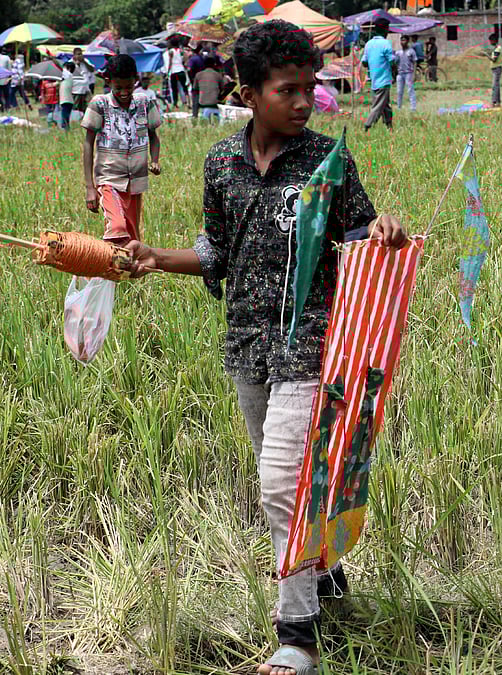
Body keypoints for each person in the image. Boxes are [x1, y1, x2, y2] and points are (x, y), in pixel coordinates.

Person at [121, 20, 406, 675]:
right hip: (248, 343)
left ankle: (297, 635)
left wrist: (383, 228)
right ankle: (325, 578)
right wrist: (153, 258)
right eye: (288, 90)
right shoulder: (220, 162)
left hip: (313, 342)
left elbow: (362, 234)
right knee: (293, 487)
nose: (305, 101)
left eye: (311, 87)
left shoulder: (329, 160)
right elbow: (215, 250)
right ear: (247, 93)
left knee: (282, 484)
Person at [81, 54, 162, 248]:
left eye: (129, 87)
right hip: (109, 178)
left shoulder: (145, 103)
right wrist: (90, 187)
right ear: (109, 82)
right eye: (118, 88)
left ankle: (128, 274)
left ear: (136, 80)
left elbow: (153, 135)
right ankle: (103, 266)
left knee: (133, 236)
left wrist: (155, 160)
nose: (124, 92)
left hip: (136, 179)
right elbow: (87, 144)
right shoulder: (100, 104)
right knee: (117, 227)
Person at [361, 18, 396, 130]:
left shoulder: (368, 44)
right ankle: (368, 125)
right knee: (378, 106)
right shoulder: (386, 43)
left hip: (374, 80)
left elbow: (364, 62)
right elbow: (392, 62)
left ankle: (389, 126)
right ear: (386, 30)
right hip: (384, 80)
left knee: (385, 105)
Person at [194, 54, 227, 121]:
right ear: (214, 64)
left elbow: (195, 88)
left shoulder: (198, 75)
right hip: (215, 103)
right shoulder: (218, 75)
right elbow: (223, 88)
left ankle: (194, 115)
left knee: (196, 95)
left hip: (202, 103)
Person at [394, 35, 418, 112]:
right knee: (399, 91)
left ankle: (413, 108)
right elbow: (395, 63)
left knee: (410, 90)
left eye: (404, 40)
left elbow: (415, 62)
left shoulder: (411, 51)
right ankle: (399, 107)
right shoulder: (398, 52)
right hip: (400, 74)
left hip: (409, 73)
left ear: (407, 41)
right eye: (401, 40)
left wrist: (414, 74)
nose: (402, 42)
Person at [164, 38, 189, 109]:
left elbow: (170, 62)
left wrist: (168, 71)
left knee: (174, 89)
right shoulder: (181, 51)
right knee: (184, 87)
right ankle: (186, 101)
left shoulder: (170, 52)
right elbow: (185, 59)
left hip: (174, 71)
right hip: (181, 70)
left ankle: (175, 103)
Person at [71, 48, 96, 112]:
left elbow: (92, 69)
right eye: (78, 54)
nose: (80, 56)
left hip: (87, 87)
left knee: (88, 104)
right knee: (77, 105)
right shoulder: (70, 63)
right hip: (76, 89)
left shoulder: (86, 61)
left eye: (81, 54)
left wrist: (84, 62)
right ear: (74, 55)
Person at [187, 46, 207, 117]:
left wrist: (191, 79)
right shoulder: (202, 58)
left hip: (195, 80)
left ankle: (195, 115)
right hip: (204, 80)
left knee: (195, 98)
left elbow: (189, 69)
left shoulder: (192, 59)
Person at [486, 33, 502, 108]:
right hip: (495, 68)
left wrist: (487, 56)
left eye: (490, 41)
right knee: (496, 86)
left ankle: (494, 102)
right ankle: (498, 101)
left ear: (494, 40)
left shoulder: (498, 49)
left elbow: (494, 59)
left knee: (494, 86)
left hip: (497, 69)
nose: (490, 42)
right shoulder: (496, 48)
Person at [59, 62, 76, 129]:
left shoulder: (68, 75)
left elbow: (58, 67)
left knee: (64, 119)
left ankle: (65, 130)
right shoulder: (67, 77)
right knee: (65, 118)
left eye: (64, 68)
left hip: (66, 100)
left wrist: (53, 59)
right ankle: (66, 130)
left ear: (68, 68)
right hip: (66, 100)